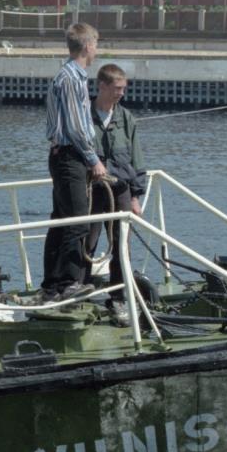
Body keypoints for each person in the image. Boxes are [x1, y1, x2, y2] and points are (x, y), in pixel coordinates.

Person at [41, 23, 107, 301]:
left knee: (62, 221)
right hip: (70, 156)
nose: (97, 50)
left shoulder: (72, 76)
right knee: (77, 222)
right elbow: (76, 128)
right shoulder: (70, 78)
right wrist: (93, 160)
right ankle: (68, 282)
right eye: (96, 45)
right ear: (88, 45)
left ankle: (53, 284)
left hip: (66, 156)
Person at [84, 64, 146, 315]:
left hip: (120, 190)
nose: (121, 93)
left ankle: (118, 296)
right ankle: (82, 290)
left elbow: (137, 159)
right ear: (102, 86)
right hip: (92, 190)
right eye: (117, 88)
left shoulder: (126, 118)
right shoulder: (84, 115)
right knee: (87, 241)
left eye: (124, 88)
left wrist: (135, 196)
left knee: (121, 244)